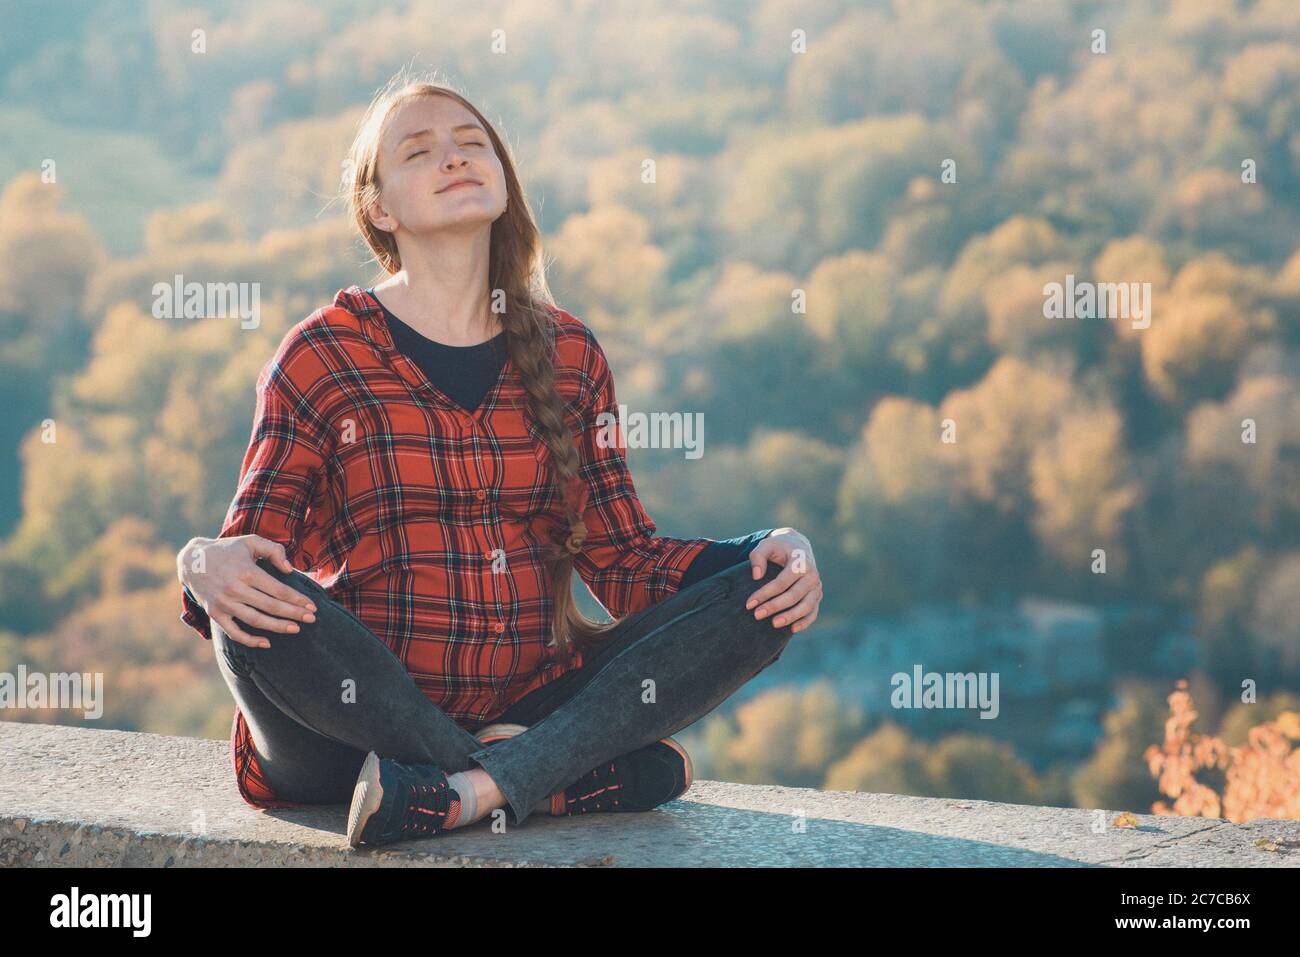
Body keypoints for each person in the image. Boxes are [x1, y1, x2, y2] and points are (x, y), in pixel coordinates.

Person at [176, 71, 824, 847]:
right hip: (346, 732)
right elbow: (251, 564)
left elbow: (625, 562)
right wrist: (200, 562)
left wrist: (763, 553)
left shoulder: (569, 353)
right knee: (251, 609)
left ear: (503, 179)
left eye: (471, 143)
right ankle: (546, 777)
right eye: (420, 151)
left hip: (532, 702)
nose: (453, 158)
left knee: (761, 598)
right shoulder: (321, 354)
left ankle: (463, 790)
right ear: (379, 207)